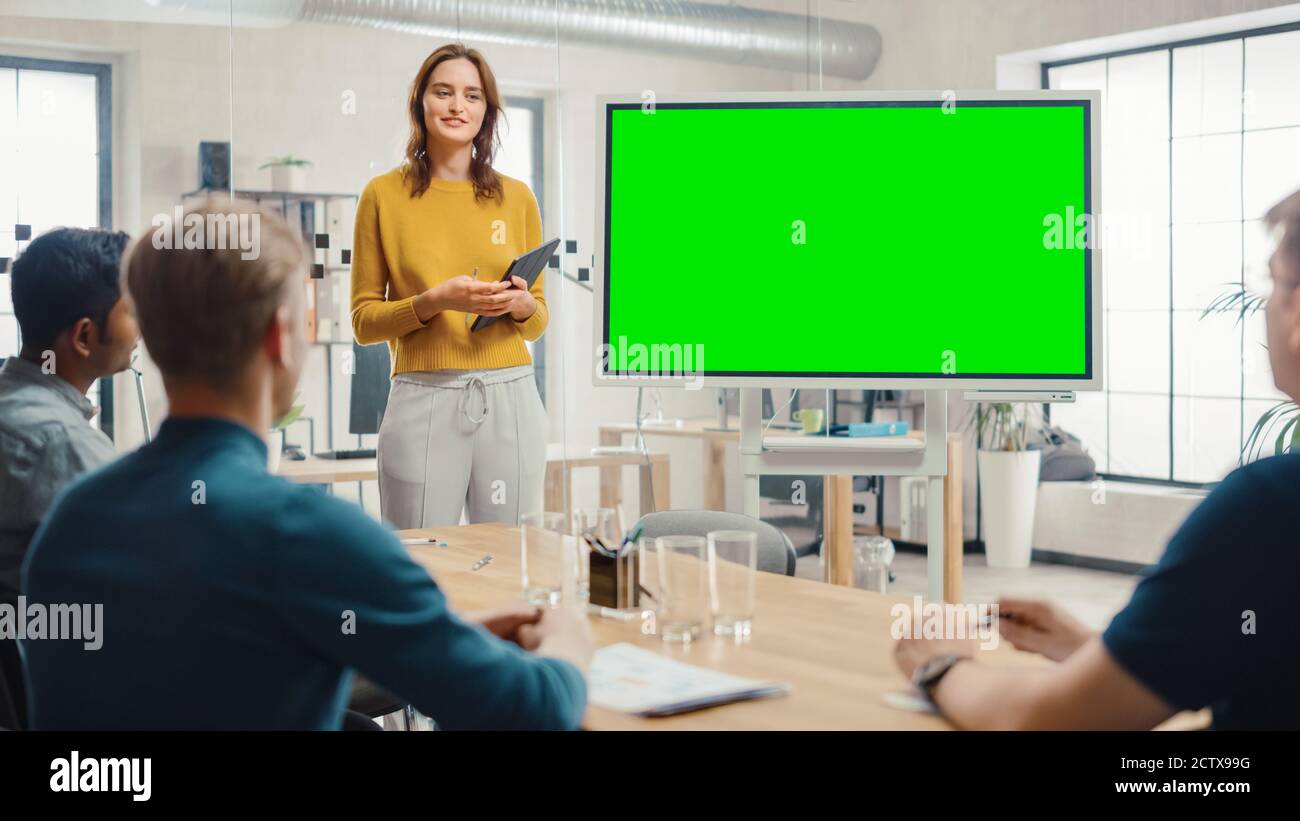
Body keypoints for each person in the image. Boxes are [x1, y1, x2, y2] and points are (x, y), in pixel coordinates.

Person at [22, 198, 590, 730]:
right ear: (280, 337)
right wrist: (568, 637)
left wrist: (441, 636)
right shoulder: (313, 536)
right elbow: (534, 711)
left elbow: (219, 668)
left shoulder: (72, 521)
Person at [894, 188, 1300, 731]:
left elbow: (1044, 723)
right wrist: (1106, 653)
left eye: (1273, 282)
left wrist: (939, 665)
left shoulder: (1272, 506)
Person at [351, 43, 548, 529]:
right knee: (419, 559)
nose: (458, 106)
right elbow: (363, 322)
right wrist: (435, 301)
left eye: (472, 96)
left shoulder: (517, 197)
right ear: (421, 101)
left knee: (510, 561)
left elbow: (538, 321)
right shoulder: (382, 195)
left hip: (512, 396)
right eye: (444, 92)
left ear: (487, 110)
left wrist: (521, 304)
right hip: (423, 396)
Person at [0, 227, 137, 728]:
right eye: (131, 310)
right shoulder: (59, 444)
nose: (140, 325)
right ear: (84, 336)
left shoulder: (12, 410)